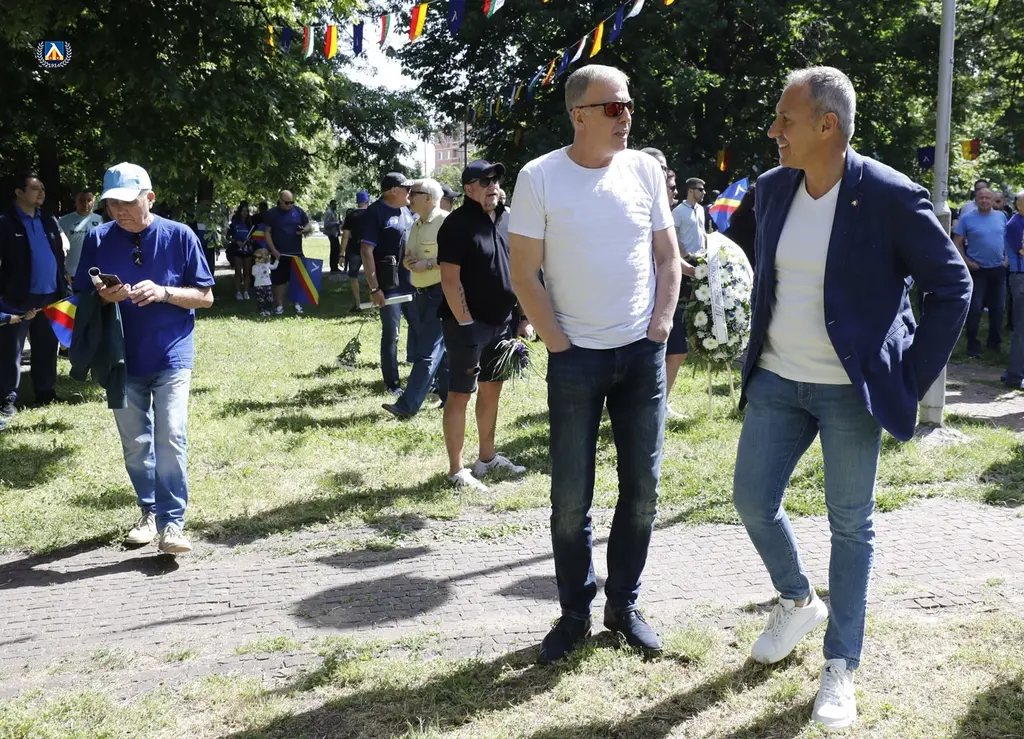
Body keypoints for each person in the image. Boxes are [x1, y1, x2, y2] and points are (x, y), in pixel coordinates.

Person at [732, 67, 970, 731]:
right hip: (777, 379)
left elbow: (952, 286)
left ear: (826, 125)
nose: (774, 131)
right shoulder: (772, 188)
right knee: (751, 500)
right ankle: (797, 600)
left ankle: (840, 664)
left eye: (785, 119)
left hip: (851, 391)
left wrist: (908, 375)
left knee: (850, 525)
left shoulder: (890, 195)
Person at [510, 65, 685, 664]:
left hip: (641, 355)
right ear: (578, 115)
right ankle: (574, 613)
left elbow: (668, 257)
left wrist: (660, 325)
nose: (625, 116)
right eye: (613, 107)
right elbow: (523, 273)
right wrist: (559, 343)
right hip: (575, 359)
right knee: (570, 497)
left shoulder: (644, 171)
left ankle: (624, 605)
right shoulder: (539, 177)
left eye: (629, 105)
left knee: (643, 491)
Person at [74, 162, 215, 554]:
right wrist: (104, 296)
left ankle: (172, 524)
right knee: (136, 443)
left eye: (127, 203)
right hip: (120, 356)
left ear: (149, 198)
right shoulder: (98, 238)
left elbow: (205, 296)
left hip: (171, 354)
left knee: (171, 435)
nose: (118, 211)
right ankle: (149, 513)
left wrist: (165, 292)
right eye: (112, 204)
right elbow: (82, 293)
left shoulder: (180, 235)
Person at [437, 159, 529, 492]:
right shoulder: (456, 224)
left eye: (496, 180)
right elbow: (450, 280)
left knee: (493, 389)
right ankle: (456, 469)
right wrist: (466, 323)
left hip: (502, 322)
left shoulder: (506, 219)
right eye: (485, 181)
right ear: (468, 189)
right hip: (466, 324)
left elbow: (517, 271)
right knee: (460, 395)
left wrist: (522, 317)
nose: (493, 186)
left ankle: (486, 458)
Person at [0, 172, 69, 418]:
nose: (41, 192)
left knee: (47, 346)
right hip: (17, 297)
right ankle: (7, 398)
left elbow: (58, 254)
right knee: (11, 351)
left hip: (51, 295)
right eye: (35, 188)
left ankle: (45, 392)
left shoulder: (48, 219)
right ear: (19, 193)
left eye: (42, 188)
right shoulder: (5, 222)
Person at [382, 178, 450, 418]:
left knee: (426, 351)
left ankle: (407, 406)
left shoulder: (445, 222)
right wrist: (408, 262)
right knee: (440, 351)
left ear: (429, 198)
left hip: (440, 292)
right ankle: (450, 399)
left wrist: (427, 264)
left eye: (414, 192)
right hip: (420, 293)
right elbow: (409, 257)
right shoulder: (415, 223)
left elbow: (456, 258)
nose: (409, 196)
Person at [642, 148, 689, 420]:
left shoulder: (663, 203)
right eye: (658, 167)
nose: (663, 173)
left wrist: (692, 270)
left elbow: (668, 254)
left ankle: (661, 403)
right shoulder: (636, 200)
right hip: (642, 294)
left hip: (666, 291)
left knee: (677, 350)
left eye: (664, 167)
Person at [361, 173, 416, 395]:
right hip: (389, 285)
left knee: (420, 330)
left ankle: (423, 379)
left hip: (412, 282)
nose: (410, 193)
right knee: (392, 334)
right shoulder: (375, 212)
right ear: (393, 190)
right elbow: (366, 251)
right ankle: (392, 383)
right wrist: (374, 287)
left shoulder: (406, 211)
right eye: (406, 189)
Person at [953, 187, 1008, 358]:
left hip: (998, 269)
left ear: (993, 200)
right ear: (976, 200)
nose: (984, 200)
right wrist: (967, 262)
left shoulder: (1001, 216)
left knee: (998, 308)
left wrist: (1007, 259)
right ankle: (972, 346)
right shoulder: (967, 218)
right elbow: (956, 243)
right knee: (975, 308)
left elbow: (1008, 240)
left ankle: (994, 344)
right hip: (977, 271)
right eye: (981, 198)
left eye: (987, 198)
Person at [263, 189, 312, 315]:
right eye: (287, 202)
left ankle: (297, 304)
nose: (289, 205)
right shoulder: (272, 213)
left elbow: (308, 226)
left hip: (296, 252)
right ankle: (279, 306)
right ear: (280, 200)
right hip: (279, 253)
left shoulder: (298, 211)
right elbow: (267, 232)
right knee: (279, 281)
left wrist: (303, 230)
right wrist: (273, 250)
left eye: (291, 202)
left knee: (297, 279)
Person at [58, 189, 103, 286]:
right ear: (75, 202)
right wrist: (64, 270)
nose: (85, 203)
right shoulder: (64, 221)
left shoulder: (101, 220)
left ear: (94, 202)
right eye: (82, 200)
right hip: (71, 273)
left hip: (96, 273)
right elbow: (57, 248)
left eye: (89, 200)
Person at [1003, 192, 1024, 387]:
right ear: (1019, 205)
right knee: (1021, 329)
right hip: (1020, 278)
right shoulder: (1015, 224)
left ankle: (1014, 372)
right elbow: (1022, 250)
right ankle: (1014, 377)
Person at [341, 190, 371, 311]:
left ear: (357, 201)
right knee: (371, 275)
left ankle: (358, 304)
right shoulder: (372, 214)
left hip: (354, 250)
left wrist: (341, 254)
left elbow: (345, 236)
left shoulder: (351, 215)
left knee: (353, 276)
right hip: (370, 250)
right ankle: (373, 303)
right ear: (367, 201)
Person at [673, 177, 707, 255]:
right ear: (690, 191)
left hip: (702, 257)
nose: (704, 192)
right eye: (701, 189)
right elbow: (674, 236)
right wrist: (685, 255)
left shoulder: (701, 209)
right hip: (687, 258)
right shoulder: (678, 211)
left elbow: (703, 232)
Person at [227, 201, 253, 301]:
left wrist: (249, 240)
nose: (245, 213)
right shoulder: (234, 223)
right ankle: (237, 292)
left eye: (246, 211)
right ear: (239, 211)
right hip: (237, 250)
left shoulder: (250, 224)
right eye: (243, 211)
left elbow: (253, 237)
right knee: (238, 271)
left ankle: (246, 291)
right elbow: (228, 236)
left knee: (247, 272)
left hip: (247, 250)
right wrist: (236, 241)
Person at [251, 248, 280, 317]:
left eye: (259, 258)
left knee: (269, 299)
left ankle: (268, 310)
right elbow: (254, 274)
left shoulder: (267, 265)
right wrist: (258, 266)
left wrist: (277, 260)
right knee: (260, 299)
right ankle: (261, 311)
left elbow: (274, 267)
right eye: (255, 257)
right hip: (259, 285)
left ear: (264, 258)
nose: (256, 259)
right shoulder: (254, 266)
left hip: (267, 284)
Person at [324, 199, 342, 272]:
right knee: (334, 250)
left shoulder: (334, 212)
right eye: (334, 204)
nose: (335, 206)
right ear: (331, 205)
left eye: (336, 204)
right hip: (331, 234)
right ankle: (333, 267)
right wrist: (337, 223)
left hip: (335, 234)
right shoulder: (329, 213)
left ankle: (335, 266)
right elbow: (326, 224)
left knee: (337, 249)